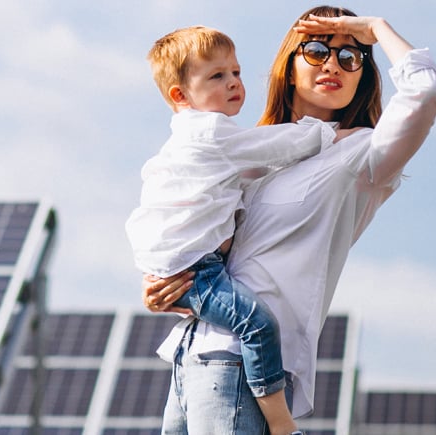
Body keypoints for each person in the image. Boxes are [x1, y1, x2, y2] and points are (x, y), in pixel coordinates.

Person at [141, 6, 436, 435]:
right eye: (318, 49)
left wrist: (375, 29)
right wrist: (164, 288)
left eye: (350, 57)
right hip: (189, 358)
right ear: (288, 66)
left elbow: (425, 93)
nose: (333, 64)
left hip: (245, 370)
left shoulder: (362, 155)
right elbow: (189, 226)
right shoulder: (247, 151)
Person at [126, 26, 343, 435]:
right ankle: (280, 420)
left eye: (236, 72)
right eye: (216, 76)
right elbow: (277, 148)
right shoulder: (212, 134)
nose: (234, 83)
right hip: (200, 271)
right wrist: (329, 133)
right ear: (179, 95)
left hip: (184, 273)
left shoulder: (186, 143)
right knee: (258, 325)